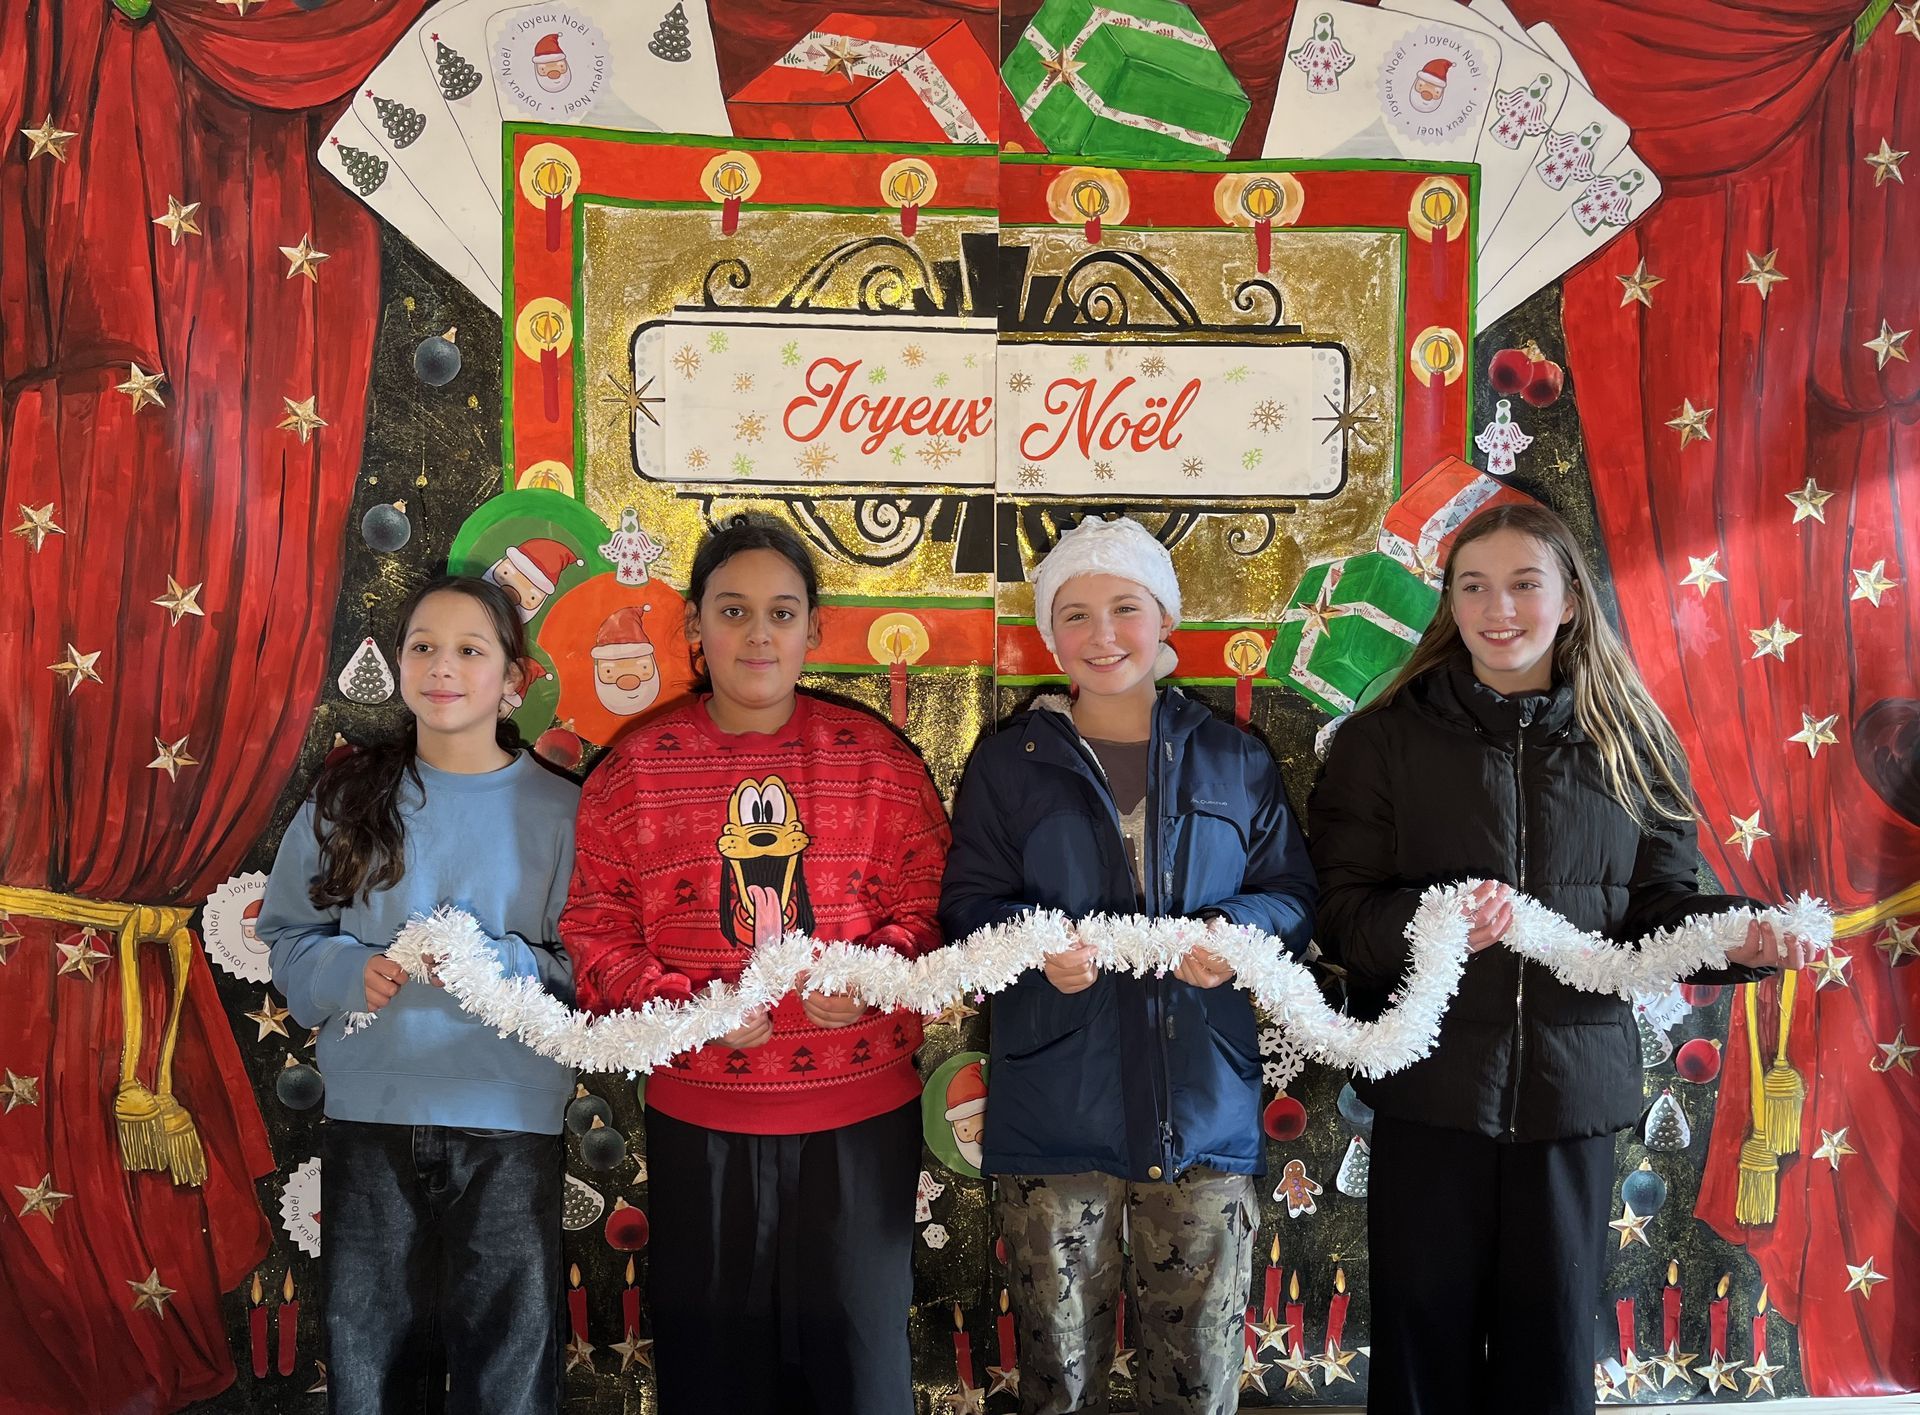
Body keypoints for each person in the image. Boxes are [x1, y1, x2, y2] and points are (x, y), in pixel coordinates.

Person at [1306, 503, 1815, 1414]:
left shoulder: (1634, 744)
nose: (1498, 608)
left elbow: (1660, 912)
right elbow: (1342, 920)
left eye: (1524, 583)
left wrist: (1737, 937)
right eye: (1473, 586)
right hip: (1432, 1096)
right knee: (1422, 1369)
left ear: (1570, 599)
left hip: (1571, 1096)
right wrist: (1436, 924)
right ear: (1449, 604)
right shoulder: (1382, 743)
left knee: (1551, 1369)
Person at [560, 514, 951, 1415]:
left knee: (860, 1374)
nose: (758, 633)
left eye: (782, 611)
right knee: (716, 1371)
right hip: (704, 1123)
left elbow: (931, 905)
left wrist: (875, 975)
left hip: (859, 1120)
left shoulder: (878, 764)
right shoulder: (635, 771)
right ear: (695, 626)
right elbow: (595, 930)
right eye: (732, 610)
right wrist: (683, 1007)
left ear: (814, 629)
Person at [939, 515, 1319, 1415]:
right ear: (1048, 635)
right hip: (1055, 1118)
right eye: (1075, 614)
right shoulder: (1008, 765)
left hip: (1202, 1117)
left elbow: (1294, 896)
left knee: (1196, 1379)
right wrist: (1037, 949)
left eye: (1125, 608)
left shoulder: (1236, 758)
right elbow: (966, 907)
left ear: (1166, 623)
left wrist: (1235, 931)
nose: (1102, 634)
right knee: (1056, 1380)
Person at [259, 575, 579, 1415]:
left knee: (510, 1365)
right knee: (369, 1360)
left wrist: (494, 964)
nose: (443, 666)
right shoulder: (346, 801)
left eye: (471, 649)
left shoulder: (562, 812)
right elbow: (288, 936)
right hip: (372, 1118)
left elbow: (588, 969)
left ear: (515, 676)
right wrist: (342, 971)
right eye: (422, 646)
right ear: (398, 664)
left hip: (511, 1127)